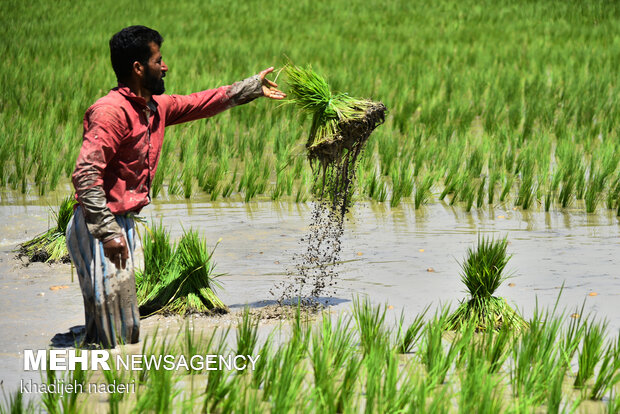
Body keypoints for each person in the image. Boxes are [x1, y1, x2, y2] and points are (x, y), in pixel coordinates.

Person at [66, 25, 285, 348]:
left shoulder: (155, 108)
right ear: (138, 68)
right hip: (98, 225)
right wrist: (108, 232)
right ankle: (97, 389)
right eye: (159, 60)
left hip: (121, 224)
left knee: (120, 328)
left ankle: (105, 381)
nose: (165, 66)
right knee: (112, 333)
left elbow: (201, 102)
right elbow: (86, 175)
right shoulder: (111, 112)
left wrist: (252, 87)